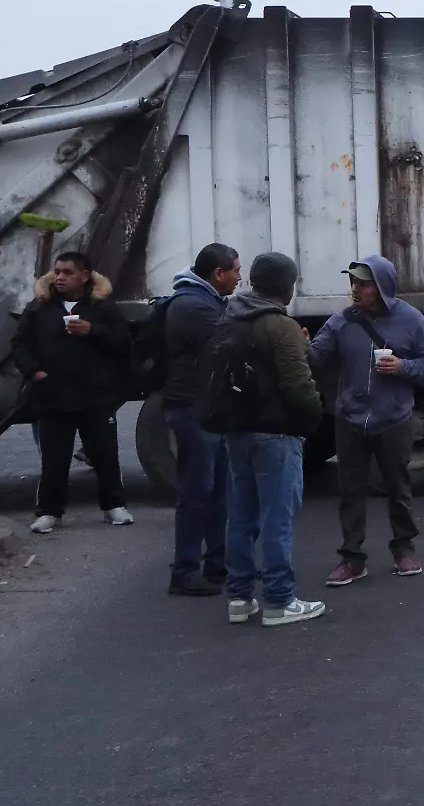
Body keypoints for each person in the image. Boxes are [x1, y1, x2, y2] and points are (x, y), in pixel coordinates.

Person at [211, 252, 327, 627]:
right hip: (276, 433)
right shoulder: (280, 326)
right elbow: (298, 386)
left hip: (236, 429)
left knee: (240, 517)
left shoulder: (229, 317)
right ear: (287, 286)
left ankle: (240, 599)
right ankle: (279, 600)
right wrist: (315, 414)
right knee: (277, 518)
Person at [309, 256, 424, 584]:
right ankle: (352, 558)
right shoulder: (341, 321)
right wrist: (299, 345)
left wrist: (402, 367)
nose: (355, 290)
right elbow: (315, 360)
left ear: (382, 287)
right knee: (350, 490)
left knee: (398, 487)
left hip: (393, 418)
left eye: (363, 284)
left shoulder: (412, 320)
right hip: (349, 418)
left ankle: (404, 549)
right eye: (352, 283)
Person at [12, 251, 133, 535]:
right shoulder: (40, 307)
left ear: (84, 276)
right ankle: (49, 512)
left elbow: (123, 342)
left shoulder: (102, 307)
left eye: (67, 272)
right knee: (54, 459)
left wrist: (92, 331)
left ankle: (113, 506)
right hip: (53, 396)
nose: (60, 277)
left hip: (96, 397)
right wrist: (34, 371)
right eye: (57, 271)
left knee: (105, 455)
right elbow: (19, 344)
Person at [161, 243, 242, 596]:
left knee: (218, 489)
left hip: (207, 407)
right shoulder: (193, 306)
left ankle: (217, 562)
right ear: (218, 274)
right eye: (236, 270)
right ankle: (185, 571)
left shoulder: (206, 301)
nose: (240, 277)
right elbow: (231, 344)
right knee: (196, 491)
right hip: (193, 408)